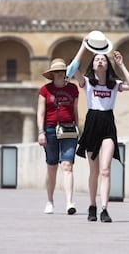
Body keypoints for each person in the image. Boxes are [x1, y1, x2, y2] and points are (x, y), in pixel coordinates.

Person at [69, 31, 129, 222]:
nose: (100, 61)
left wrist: (121, 64)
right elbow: (71, 69)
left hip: (107, 123)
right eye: (97, 59)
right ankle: (92, 204)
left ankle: (104, 209)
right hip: (92, 123)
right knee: (94, 171)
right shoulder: (87, 83)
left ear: (107, 65)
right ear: (93, 64)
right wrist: (83, 47)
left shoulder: (114, 84)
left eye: (103, 59)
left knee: (106, 170)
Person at [37, 58, 79, 215]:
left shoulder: (73, 89)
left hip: (68, 130)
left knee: (67, 165)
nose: (60, 74)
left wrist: (77, 127)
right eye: (56, 72)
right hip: (50, 130)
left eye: (62, 71)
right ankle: (50, 201)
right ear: (52, 74)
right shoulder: (44, 90)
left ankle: (69, 202)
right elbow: (40, 112)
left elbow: (75, 110)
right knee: (52, 166)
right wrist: (41, 132)